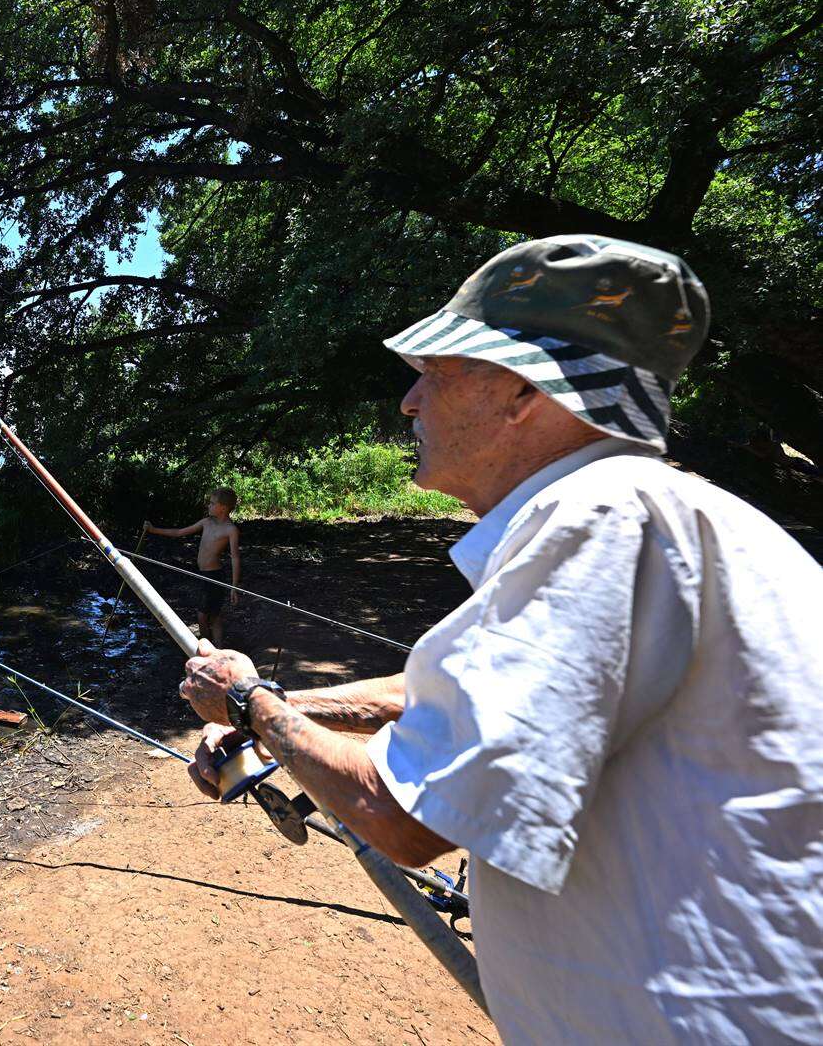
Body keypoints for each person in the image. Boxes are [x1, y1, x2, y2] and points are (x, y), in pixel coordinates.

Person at [176, 235, 823, 1042]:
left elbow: (402, 819)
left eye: (435, 373)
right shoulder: (653, 511)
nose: (410, 403)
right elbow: (478, 698)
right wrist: (288, 708)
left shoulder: (601, 517)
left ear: (523, 390)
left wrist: (249, 700)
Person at [144, 487, 240, 646]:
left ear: (223, 507)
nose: (208, 506)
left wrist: (234, 587)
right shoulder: (206, 522)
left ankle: (210, 647)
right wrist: (153, 530)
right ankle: (211, 647)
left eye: (212, 503)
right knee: (210, 614)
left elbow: (235, 558)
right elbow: (179, 532)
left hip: (215, 576)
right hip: (202, 574)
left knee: (206, 615)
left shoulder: (231, 530)